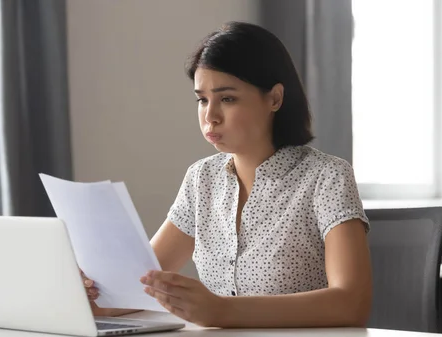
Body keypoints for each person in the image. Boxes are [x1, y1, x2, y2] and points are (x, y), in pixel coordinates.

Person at [82, 21, 372, 328]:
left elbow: (351, 303)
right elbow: (138, 287)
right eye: (202, 99)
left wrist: (222, 311)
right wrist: (92, 296)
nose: (210, 116)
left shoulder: (327, 177)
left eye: (227, 98)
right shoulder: (201, 179)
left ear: (274, 98)